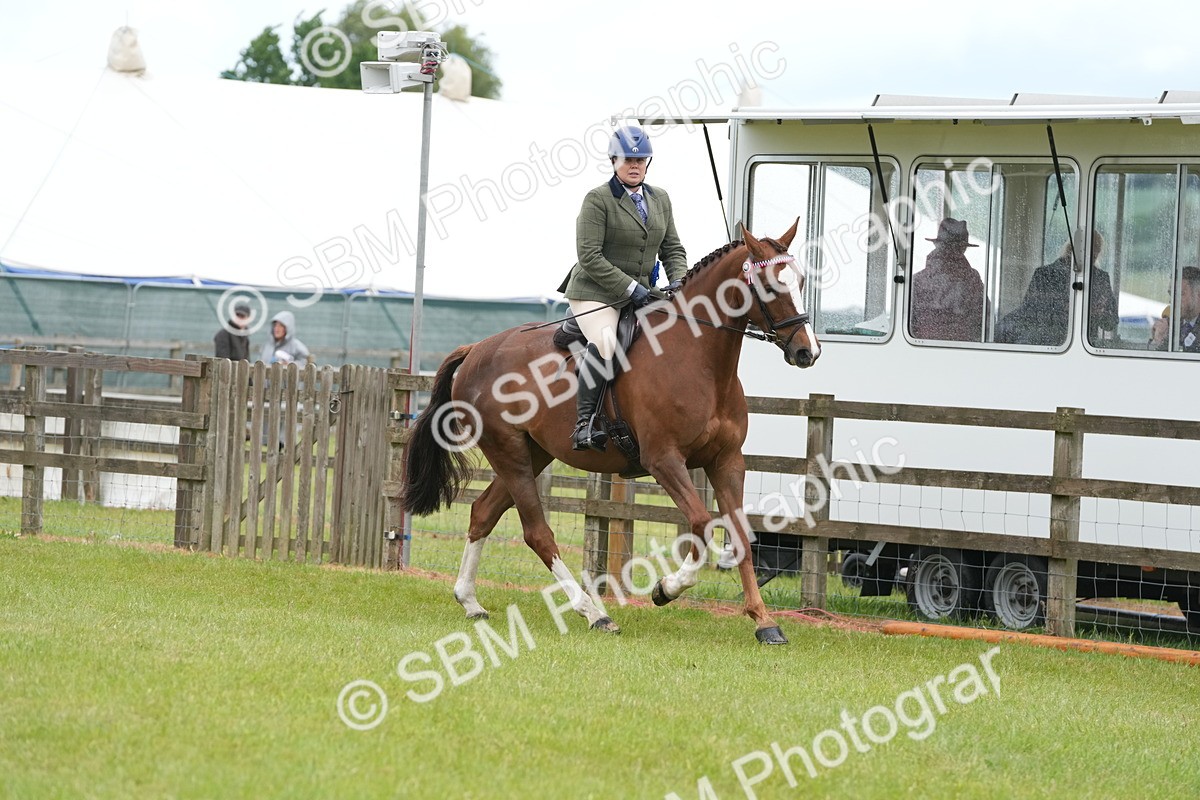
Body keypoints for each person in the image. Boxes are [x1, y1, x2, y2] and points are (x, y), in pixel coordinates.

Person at [557, 125, 688, 451]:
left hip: (644, 291)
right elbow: (589, 256)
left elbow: (672, 249)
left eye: (641, 159)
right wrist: (630, 288)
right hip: (594, 293)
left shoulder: (660, 199)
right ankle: (584, 424)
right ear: (614, 160)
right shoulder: (598, 199)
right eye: (628, 159)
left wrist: (680, 281)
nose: (635, 165)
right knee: (605, 343)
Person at [996, 230, 1118, 346]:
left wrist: (1100, 313)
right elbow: (1030, 311)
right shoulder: (1044, 274)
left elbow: (1111, 322)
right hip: (1046, 345)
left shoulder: (1101, 278)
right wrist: (1065, 308)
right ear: (1073, 248)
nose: (1094, 253)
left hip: (1086, 345)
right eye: (1090, 248)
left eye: (1097, 249)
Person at [909, 218, 986, 342]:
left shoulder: (917, 280)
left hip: (921, 350)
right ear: (962, 249)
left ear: (938, 245)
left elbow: (908, 320)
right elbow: (984, 321)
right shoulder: (972, 279)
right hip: (965, 351)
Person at [1150, 266, 1200, 353]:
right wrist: (1158, 340)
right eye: (1171, 294)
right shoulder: (1171, 324)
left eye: (1179, 294)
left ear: (1198, 294)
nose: (1171, 301)